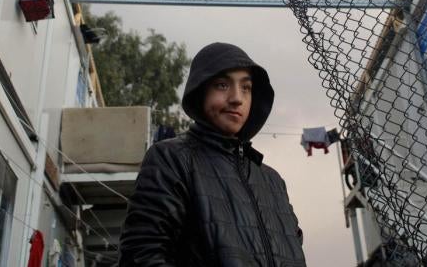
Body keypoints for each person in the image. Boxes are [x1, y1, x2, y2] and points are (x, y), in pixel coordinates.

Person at [118, 42, 307, 267]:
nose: (237, 98)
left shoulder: (273, 181)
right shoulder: (171, 159)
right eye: (222, 85)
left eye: (246, 88)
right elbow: (141, 254)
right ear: (200, 92)